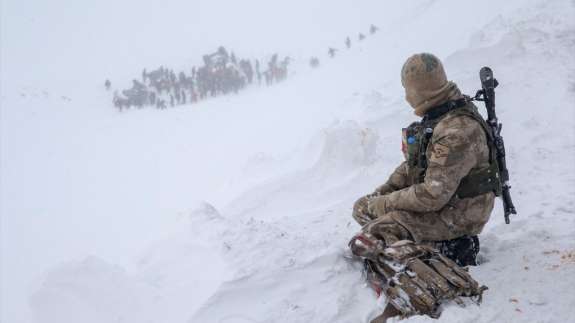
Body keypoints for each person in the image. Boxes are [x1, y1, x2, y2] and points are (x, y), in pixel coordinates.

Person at [349, 53, 496, 322]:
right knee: (364, 211)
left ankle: (420, 283)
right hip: (446, 202)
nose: (406, 97)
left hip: (461, 214)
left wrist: (384, 204)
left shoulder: (456, 131)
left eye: (408, 90)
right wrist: (381, 194)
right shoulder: (439, 115)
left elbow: (432, 195)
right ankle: (415, 251)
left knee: (379, 229)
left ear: (419, 90)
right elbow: (413, 167)